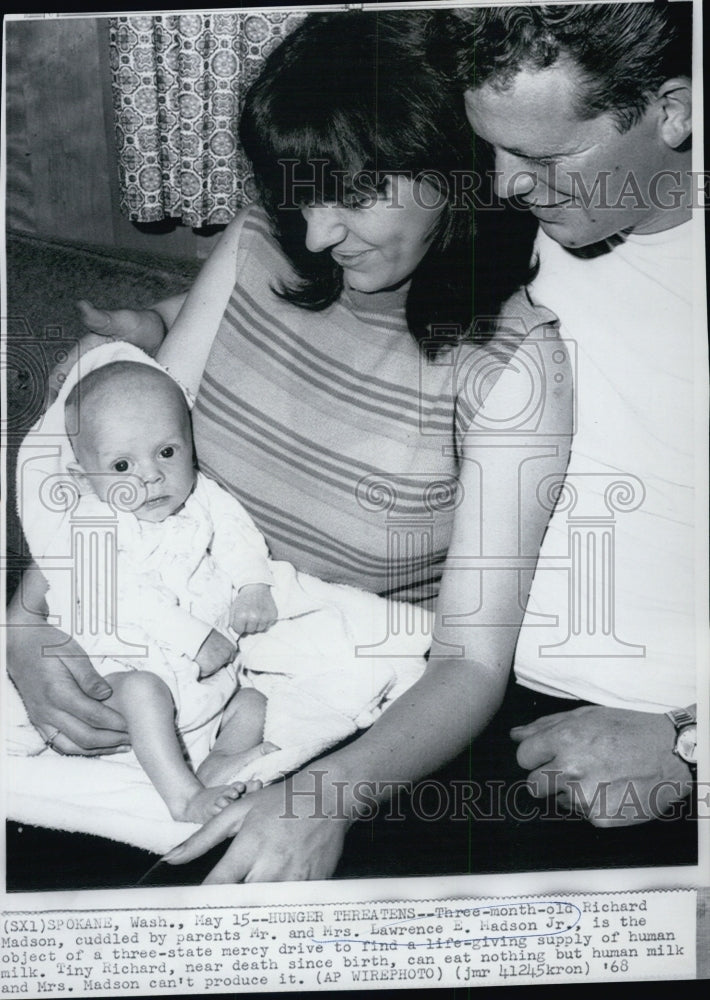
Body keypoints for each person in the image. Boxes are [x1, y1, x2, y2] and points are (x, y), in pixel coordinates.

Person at [6, 11, 572, 884]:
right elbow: (124, 460)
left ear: (452, 172)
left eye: (351, 194)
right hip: (155, 616)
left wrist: (327, 801)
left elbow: (471, 663)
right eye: (299, 191)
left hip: (326, 701)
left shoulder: (514, 368)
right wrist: (23, 630)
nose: (315, 235)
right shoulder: (255, 248)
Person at [421, 0, 699, 849]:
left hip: (658, 739)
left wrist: (688, 749)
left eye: (543, 154)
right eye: (493, 146)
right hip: (461, 690)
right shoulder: (516, 216)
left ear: (673, 113)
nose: (505, 181)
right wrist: (147, 336)